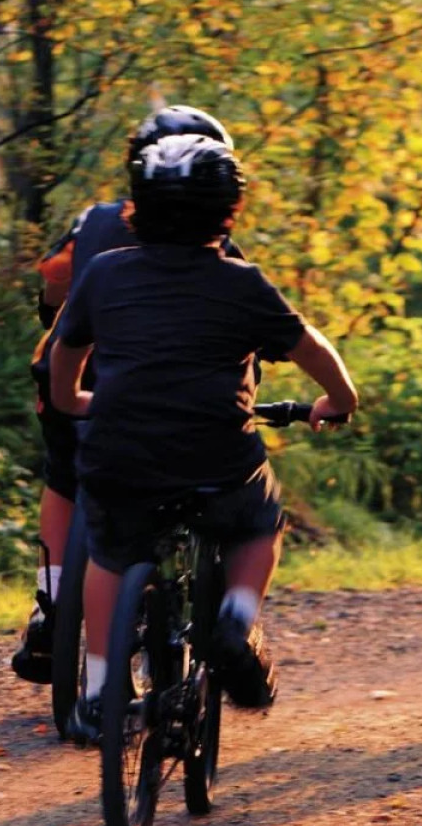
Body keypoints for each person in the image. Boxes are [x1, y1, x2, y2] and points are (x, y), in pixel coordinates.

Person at [48, 134, 358, 742]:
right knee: (259, 517)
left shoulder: (106, 273)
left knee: (111, 550)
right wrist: (339, 401)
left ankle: (102, 688)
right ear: (229, 210)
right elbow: (311, 349)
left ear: (137, 204)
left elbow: (67, 352)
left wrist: (72, 402)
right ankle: (236, 623)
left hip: (121, 457)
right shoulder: (242, 283)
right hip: (217, 459)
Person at [11, 106, 239, 686]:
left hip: (76, 383)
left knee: (64, 478)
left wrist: (50, 307)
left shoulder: (94, 221)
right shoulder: (221, 247)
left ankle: (51, 604)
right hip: (172, 403)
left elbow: (52, 276)